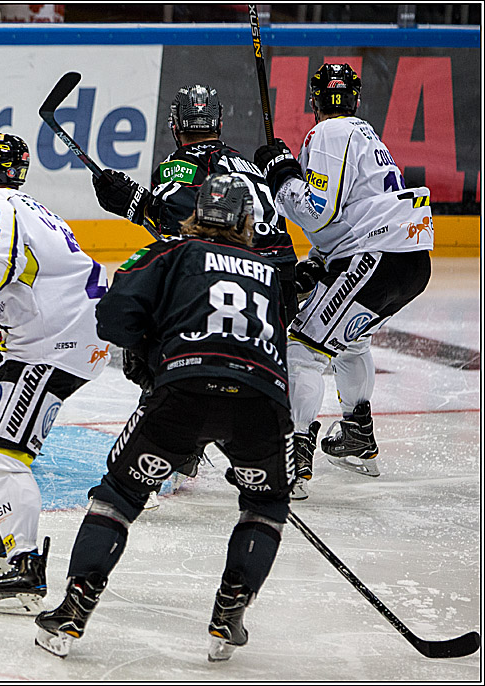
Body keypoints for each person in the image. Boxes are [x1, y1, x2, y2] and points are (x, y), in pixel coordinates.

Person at [34, 173, 292, 662]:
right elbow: (276, 343)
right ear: (245, 221)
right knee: (265, 504)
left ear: (198, 213)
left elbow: (112, 315)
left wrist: (151, 350)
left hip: (183, 393)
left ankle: (73, 611)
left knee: (122, 493)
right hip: (261, 403)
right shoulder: (271, 272)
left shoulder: (171, 251)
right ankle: (228, 613)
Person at [0, 132, 111, 614]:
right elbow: (20, 280)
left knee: (3, 451)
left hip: (57, 345)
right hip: (53, 336)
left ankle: (26, 568)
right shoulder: (28, 208)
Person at [90, 83, 298, 491]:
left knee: (168, 347)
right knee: (252, 359)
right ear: (219, 122)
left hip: (226, 274)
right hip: (279, 279)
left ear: (175, 127)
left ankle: (172, 445)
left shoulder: (177, 165)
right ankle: (275, 451)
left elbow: (187, 235)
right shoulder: (243, 162)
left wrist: (134, 203)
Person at [253, 63, 433, 494]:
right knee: (351, 341)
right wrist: (319, 261)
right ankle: (357, 437)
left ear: (314, 101)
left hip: (376, 254)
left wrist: (281, 175)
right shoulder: (368, 136)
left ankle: (291, 462)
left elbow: (317, 212)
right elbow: (347, 219)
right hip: (409, 260)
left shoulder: (329, 133)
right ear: (355, 98)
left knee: (303, 348)